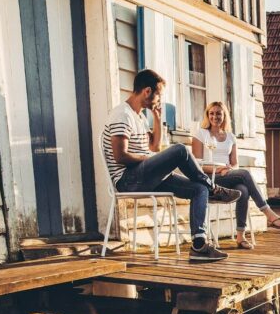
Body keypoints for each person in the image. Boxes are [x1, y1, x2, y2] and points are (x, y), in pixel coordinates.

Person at [102, 70, 241, 262]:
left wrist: (157, 119)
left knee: (199, 189)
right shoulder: (122, 114)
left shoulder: (140, 117)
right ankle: (214, 188)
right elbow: (120, 156)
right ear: (148, 91)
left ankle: (199, 246)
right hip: (128, 180)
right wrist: (147, 159)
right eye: (159, 94)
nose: (160, 99)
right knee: (180, 150)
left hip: (147, 178)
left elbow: (154, 147)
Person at [191, 101, 280, 250]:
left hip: (227, 175)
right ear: (207, 115)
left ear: (224, 116)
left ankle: (240, 237)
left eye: (218, 113)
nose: (215, 116)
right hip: (210, 178)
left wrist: (229, 169)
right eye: (211, 113)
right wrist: (218, 170)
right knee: (245, 174)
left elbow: (235, 163)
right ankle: (268, 213)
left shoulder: (230, 137)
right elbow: (197, 165)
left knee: (243, 190)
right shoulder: (201, 134)